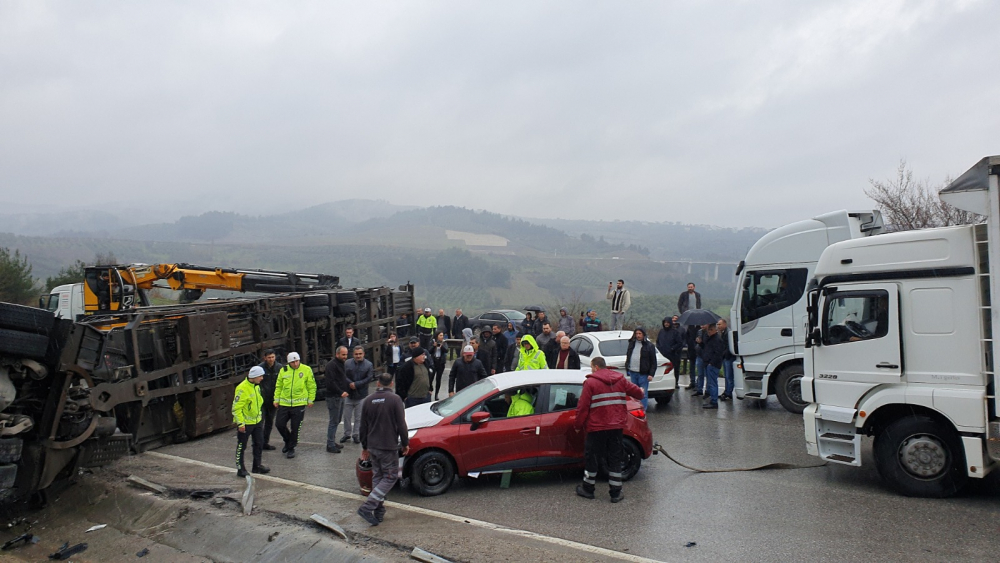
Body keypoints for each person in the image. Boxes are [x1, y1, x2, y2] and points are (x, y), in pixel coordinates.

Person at [574, 357, 644, 503]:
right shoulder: (620, 380)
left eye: (592, 367)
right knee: (614, 458)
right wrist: (642, 390)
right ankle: (615, 493)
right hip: (616, 427)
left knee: (592, 457)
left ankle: (588, 489)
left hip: (596, 428)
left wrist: (578, 425)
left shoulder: (590, 383)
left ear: (595, 367)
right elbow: (638, 393)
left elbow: (582, 408)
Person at [357, 372, 409, 526]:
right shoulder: (395, 399)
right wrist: (405, 443)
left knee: (378, 477)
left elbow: (362, 426)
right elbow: (401, 424)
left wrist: (364, 446)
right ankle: (368, 507)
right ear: (391, 384)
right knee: (390, 477)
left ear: (378, 383)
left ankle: (378, 512)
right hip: (388, 445)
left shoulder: (368, 400)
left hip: (373, 445)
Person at [273, 352, 316, 459]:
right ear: (289, 363)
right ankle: (288, 441)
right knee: (279, 424)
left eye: (297, 361)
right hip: (285, 403)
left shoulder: (306, 369)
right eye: (293, 362)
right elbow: (279, 386)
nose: (296, 364)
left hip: (299, 403)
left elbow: (311, 385)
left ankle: (291, 447)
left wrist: (311, 399)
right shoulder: (284, 370)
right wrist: (276, 399)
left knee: (295, 427)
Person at [232, 366, 270, 477]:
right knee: (241, 446)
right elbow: (236, 408)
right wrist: (240, 423)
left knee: (259, 443)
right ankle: (240, 468)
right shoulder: (242, 388)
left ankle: (257, 466)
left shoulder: (256, 386)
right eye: (260, 376)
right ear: (253, 377)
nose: (262, 378)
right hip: (246, 423)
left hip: (257, 421)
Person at [342, 345, 374, 443]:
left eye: (360, 354)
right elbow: (343, 375)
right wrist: (350, 384)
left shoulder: (368, 365)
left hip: (361, 395)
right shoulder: (347, 363)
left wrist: (356, 384)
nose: (358, 356)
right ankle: (347, 434)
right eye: (356, 354)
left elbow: (369, 378)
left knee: (358, 417)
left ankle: (356, 435)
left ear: (363, 354)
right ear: (353, 354)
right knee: (346, 416)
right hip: (349, 394)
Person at [323, 347, 350, 454]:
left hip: (340, 396)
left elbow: (342, 379)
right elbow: (330, 382)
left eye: (346, 354)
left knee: (337, 420)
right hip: (334, 397)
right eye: (343, 355)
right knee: (333, 421)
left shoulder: (341, 363)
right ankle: (330, 444)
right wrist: (340, 392)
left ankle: (332, 442)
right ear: (337, 354)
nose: (345, 357)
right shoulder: (331, 365)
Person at [256, 349, 283, 451]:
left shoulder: (279, 367)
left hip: (273, 400)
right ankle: (258, 443)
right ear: (265, 358)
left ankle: (265, 443)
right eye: (269, 358)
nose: (271, 359)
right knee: (260, 422)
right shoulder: (260, 368)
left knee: (269, 422)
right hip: (262, 400)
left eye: (272, 357)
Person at [624, 327, 657, 410]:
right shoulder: (631, 344)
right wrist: (627, 367)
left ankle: (643, 411)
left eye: (640, 334)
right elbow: (628, 356)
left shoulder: (649, 346)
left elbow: (653, 362)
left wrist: (651, 374)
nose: (638, 335)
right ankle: (635, 410)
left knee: (643, 394)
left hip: (643, 373)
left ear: (643, 334)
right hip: (633, 372)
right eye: (636, 334)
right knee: (634, 393)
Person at [701, 322, 726, 409]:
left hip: (713, 364)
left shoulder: (717, 339)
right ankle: (712, 399)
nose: (709, 332)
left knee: (712, 383)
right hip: (709, 363)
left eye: (710, 330)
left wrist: (711, 363)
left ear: (714, 330)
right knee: (711, 383)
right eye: (708, 330)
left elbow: (718, 353)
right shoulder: (711, 338)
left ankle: (714, 401)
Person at [656, 318, 684, 387]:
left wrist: (672, 349)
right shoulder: (661, 332)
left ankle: (675, 382)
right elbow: (658, 341)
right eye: (665, 322)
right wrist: (659, 348)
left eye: (668, 322)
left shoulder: (675, 332)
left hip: (673, 355)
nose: (666, 324)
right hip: (662, 355)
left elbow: (680, 343)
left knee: (675, 369)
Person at [717, 319, 736, 401]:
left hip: (728, 357)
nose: (718, 326)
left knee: (729, 376)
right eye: (717, 324)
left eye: (720, 324)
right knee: (726, 376)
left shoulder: (728, 333)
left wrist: (724, 354)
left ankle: (729, 393)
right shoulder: (722, 333)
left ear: (725, 324)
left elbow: (729, 346)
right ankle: (726, 391)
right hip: (725, 357)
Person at [429, 332, 449, 400]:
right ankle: (429, 391)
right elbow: (429, 351)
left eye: (442, 335)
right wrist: (434, 346)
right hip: (434, 362)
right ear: (437, 336)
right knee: (430, 378)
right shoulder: (432, 341)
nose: (442, 337)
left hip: (441, 363)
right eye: (440, 335)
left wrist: (441, 347)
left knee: (438, 379)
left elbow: (446, 350)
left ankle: (436, 394)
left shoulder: (444, 342)